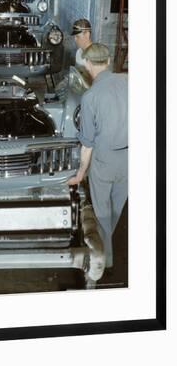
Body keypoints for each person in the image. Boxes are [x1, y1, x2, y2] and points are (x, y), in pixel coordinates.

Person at [66, 43, 128, 269]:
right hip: (130, 159)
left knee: (102, 213)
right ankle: (107, 249)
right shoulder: (128, 83)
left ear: (87, 63)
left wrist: (79, 175)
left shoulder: (90, 96)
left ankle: (105, 261)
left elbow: (87, 144)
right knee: (116, 209)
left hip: (105, 160)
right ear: (109, 60)